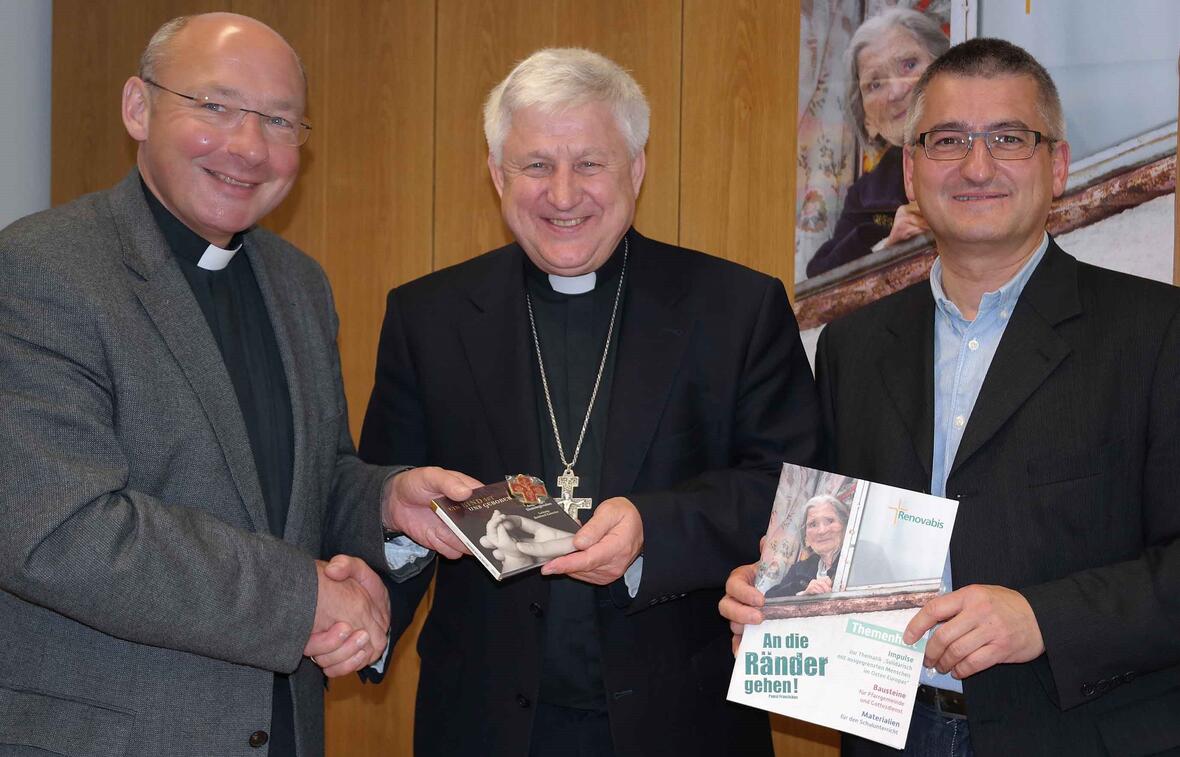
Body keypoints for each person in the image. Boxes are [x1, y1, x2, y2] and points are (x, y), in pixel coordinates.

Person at [0, 13, 475, 757]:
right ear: (137, 106)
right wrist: (306, 596)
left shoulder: (298, 284)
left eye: (279, 120)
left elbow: (300, 487)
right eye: (215, 107)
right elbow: (61, 529)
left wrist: (383, 501)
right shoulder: (42, 269)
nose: (248, 147)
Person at [723, 37, 1180, 756]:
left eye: (1008, 137)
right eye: (946, 140)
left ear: (1056, 165)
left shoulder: (1159, 332)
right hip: (890, 731)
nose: (976, 165)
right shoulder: (851, 346)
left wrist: (1043, 618)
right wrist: (776, 595)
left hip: (1073, 733)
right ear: (911, 169)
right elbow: (830, 535)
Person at [358, 47, 821, 757]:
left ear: (636, 169)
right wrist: (366, 595)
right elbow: (388, 497)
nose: (563, 194)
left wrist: (651, 526)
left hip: (684, 722)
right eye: (536, 165)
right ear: (496, 175)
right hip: (485, 726)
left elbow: (791, 494)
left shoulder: (736, 307)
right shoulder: (428, 316)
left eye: (590, 164)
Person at [805, 8, 947, 277]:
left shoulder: (988, 151)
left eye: (909, 64)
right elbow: (820, 279)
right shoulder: (867, 194)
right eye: (875, 84)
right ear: (867, 119)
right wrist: (886, 250)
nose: (896, 91)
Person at [765, 494, 849, 598]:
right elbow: (769, 599)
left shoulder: (854, 561)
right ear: (806, 536)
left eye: (829, 521)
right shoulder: (800, 569)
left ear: (845, 525)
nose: (821, 531)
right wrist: (803, 594)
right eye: (813, 524)